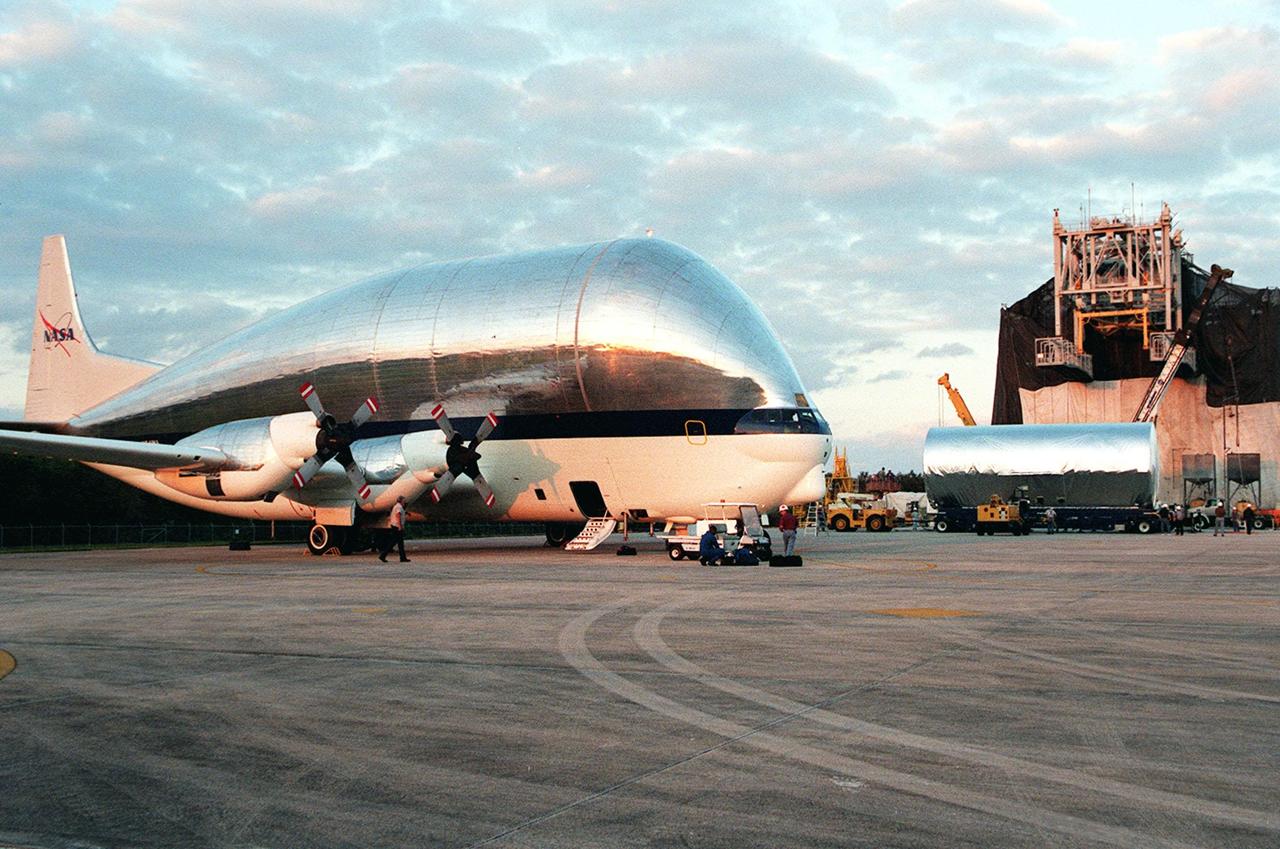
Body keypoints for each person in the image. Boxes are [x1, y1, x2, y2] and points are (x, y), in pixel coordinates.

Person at [379, 495, 410, 562]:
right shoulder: (399, 507)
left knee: (399, 543)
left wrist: (405, 513)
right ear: (401, 501)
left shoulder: (397, 506)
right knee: (394, 542)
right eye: (404, 500)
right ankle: (383, 555)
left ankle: (402, 557)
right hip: (397, 526)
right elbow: (398, 515)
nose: (405, 502)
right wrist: (399, 526)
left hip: (395, 525)